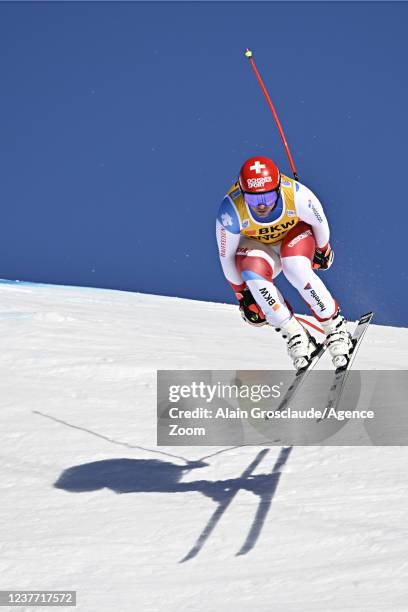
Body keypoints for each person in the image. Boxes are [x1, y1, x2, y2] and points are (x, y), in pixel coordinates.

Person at [216, 156, 352, 370]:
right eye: (252, 200)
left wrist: (323, 249)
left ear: (278, 189)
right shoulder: (230, 212)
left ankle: (335, 326)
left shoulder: (297, 195)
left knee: (295, 267)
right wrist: (242, 295)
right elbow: (227, 257)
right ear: (243, 195)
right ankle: (295, 334)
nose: (261, 206)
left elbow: (319, 221)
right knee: (251, 276)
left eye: (269, 198)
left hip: (294, 238)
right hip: (261, 248)